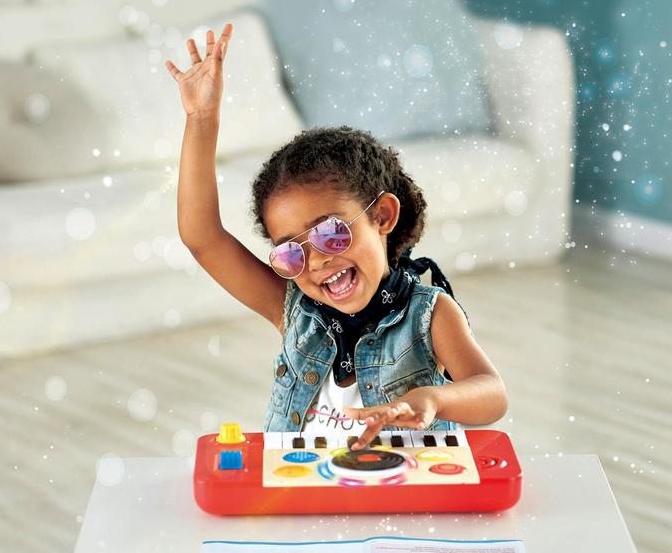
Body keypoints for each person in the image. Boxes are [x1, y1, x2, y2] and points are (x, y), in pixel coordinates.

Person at [166, 22, 507, 451]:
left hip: (399, 489)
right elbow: (202, 237)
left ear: (382, 216)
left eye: (330, 233)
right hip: (301, 488)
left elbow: (492, 394)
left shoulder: (428, 314)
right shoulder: (294, 309)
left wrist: (433, 399)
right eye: (291, 252)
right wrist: (201, 120)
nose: (316, 261)